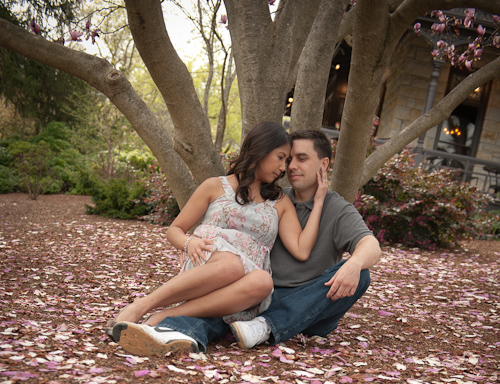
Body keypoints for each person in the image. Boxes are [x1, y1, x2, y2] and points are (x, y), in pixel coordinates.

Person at [111, 128, 381, 357]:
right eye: (286, 159)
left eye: (299, 159)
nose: (289, 167)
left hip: (291, 299)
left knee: (359, 275)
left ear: (323, 165)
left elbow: (363, 246)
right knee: (228, 299)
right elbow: (191, 229)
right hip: (239, 282)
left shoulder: (327, 206)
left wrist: (354, 262)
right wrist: (189, 243)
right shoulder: (269, 195)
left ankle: (259, 326)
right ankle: (169, 328)